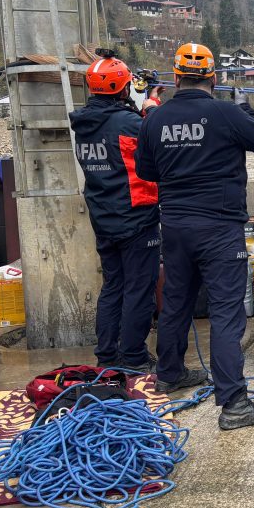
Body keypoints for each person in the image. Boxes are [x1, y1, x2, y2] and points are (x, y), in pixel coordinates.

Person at [136, 43, 254, 431]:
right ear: (213, 77)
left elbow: (147, 172)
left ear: (176, 76)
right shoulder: (225, 112)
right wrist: (244, 105)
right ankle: (234, 403)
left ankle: (169, 373)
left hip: (176, 227)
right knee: (226, 313)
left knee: (176, 304)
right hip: (218, 228)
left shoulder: (154, 119)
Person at [69, 53, 159, 372]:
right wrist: (151, 107)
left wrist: (142, 102)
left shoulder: (83, 124)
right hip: (136, 219)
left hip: (104, 219)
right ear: (122, 88)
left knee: (113, 287)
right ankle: (134, 358)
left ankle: (107, 355)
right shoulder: (129, 123)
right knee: (139, 290)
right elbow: (154, 145)